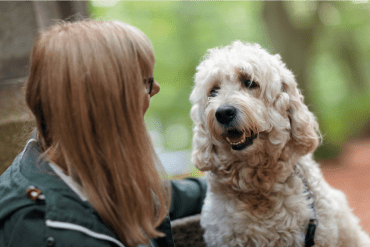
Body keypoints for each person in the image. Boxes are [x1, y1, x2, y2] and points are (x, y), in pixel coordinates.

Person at [0, 20, 206, 247]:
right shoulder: (54, 235)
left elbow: (149, 198)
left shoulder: (69, 164)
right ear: (108, 106)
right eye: (146, 81)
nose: (156, 88)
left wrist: (230, 186)